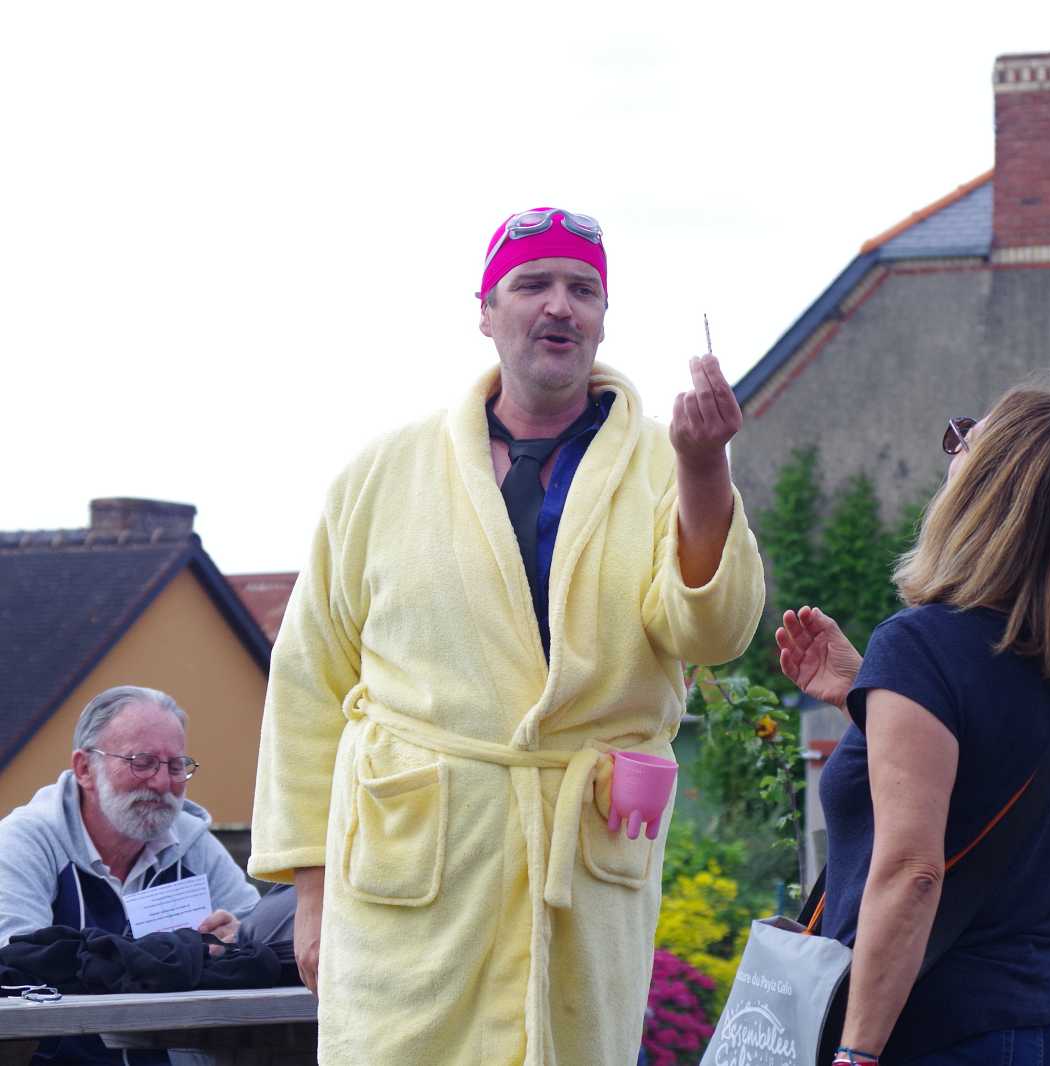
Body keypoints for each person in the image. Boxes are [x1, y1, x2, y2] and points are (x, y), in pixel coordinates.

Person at [248, 207, 765, 1066]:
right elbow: (308, 682)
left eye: (583, 290)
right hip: (415, 875)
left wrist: (705, 468)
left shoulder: (662, 462)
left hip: (581, 867)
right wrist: (310, 890)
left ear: (603, 318)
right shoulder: (383, 474)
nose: (560, 305)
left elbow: (712, 631)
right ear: (486, 312)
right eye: (532, 285)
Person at [776, 385, 1050, 1066]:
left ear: (990, 491)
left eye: (966, 439)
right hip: (1043, 1023)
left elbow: (913, 872)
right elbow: (981, 770)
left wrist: (856, 1053)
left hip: (932, 1033)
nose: (952, 450)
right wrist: (868, 694)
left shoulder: (922, 646)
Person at [0, 685, 260, 1065]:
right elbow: (16, 965)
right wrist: (185, 953)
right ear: (85, 769)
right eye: (142, 762)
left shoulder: (191, 841)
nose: (162, 783)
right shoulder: (25, 842)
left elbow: (259, 938)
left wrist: (238, 938)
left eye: (176, 766)